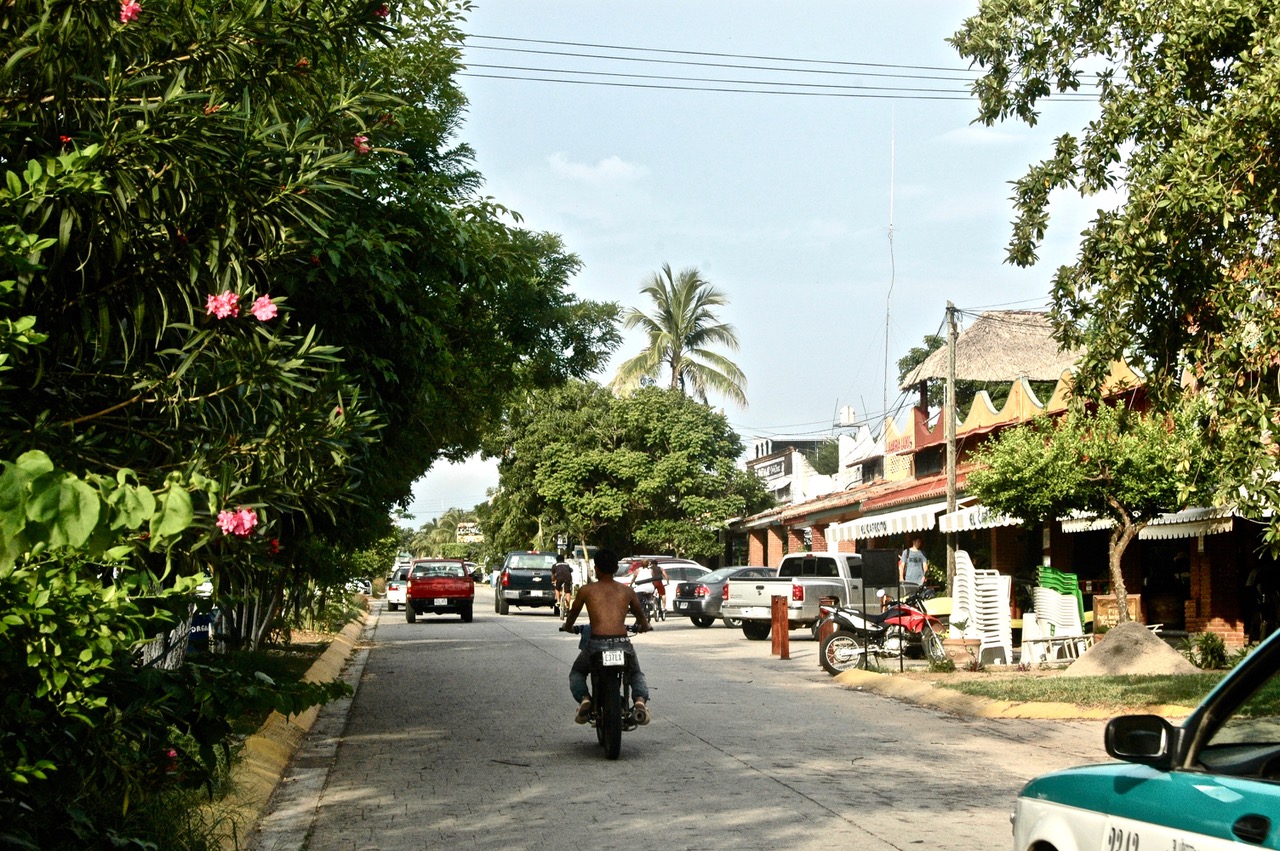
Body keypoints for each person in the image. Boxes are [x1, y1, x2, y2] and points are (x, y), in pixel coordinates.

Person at [561, 549, 651, 725]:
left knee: (577, 672)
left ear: (596, 569)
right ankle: (639, 702)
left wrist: (568, 627)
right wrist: (645, 627)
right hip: (622, 644)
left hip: (596, 645)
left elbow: (572, 615)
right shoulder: (627, 591)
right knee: (635, 673)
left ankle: (585, 699)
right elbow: (642, 618)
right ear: (616, 568)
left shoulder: (586, 590)